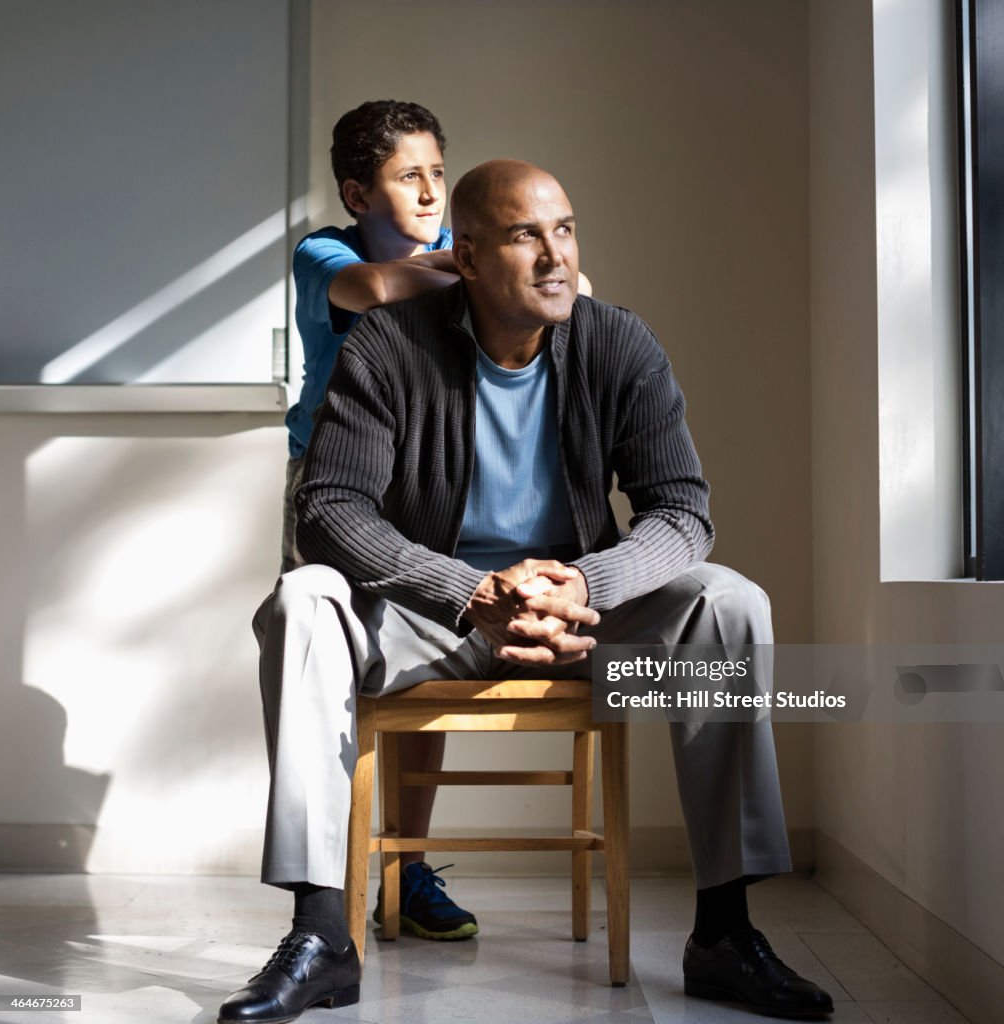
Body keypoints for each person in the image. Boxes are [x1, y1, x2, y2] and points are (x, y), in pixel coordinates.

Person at [219, 160, 834, 1023]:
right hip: (432, 614)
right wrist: (471, 592)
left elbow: (683, 512)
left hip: (584, 616)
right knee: (301, 601)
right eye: (524, 236)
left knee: (727, 600)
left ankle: (725, 934)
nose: (555, 257)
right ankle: (322, 935)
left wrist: (585, 582)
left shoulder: (618, 342)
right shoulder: (389, 345)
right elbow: (330, 510)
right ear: (465, 258)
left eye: (565, 230)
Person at [283, 99, 476, 943]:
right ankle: (324, 886)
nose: (432, 192)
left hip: (423, 488)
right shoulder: (326, 251)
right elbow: (375, 289)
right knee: (328, 669)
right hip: (331, 489)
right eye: (409, 177)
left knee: (422, 680)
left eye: (438, 173)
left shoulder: (452, 259)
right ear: (359, 192)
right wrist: (485, 267)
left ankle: (408, 868)